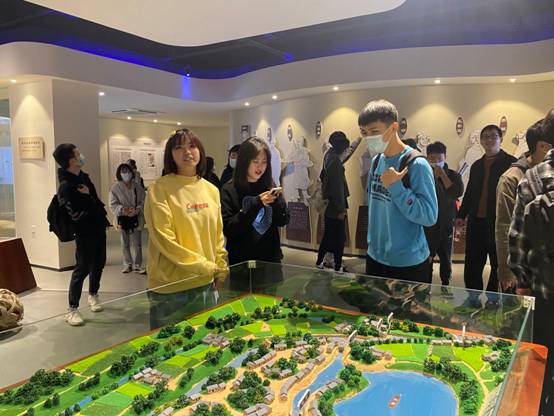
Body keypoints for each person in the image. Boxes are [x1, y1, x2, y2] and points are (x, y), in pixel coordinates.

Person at [144, 129, 228, 328]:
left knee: (204, 341)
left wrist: (220, 266)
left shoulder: (211, 190)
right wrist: (204, 265)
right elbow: (164, 239)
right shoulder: (158, 189)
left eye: (192, 146)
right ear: (170, 154)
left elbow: (217, 234)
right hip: (170, 286)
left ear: (200, 151)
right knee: (167, 344)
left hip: (204, 282)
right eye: (179, 147)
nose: (187, 152)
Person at [359, 100, 438, 283]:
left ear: (394, 127)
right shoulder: (376, 161)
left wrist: (397, 187)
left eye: (374, 131)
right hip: (375, 257)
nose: (369, 138)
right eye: (364, 133)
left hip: (407, 263)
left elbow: (429, 216)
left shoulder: (417, 164)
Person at [509, 110, 554, 416]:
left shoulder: (533, 177)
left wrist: (522, 282)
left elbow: (517, 238)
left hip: (544, 291)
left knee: (541, 363)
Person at [456, 125, 516, 307]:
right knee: (473, 262)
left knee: (498, 263)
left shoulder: (511, 163)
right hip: (476, 222)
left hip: (499, 223)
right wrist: (461, 215)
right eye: (485, 137)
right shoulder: (476, 165)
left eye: (493, 136)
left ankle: (493, 300)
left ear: (501, 139)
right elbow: (469, 192)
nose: (489, 140)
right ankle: (472, 298)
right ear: (481, 140)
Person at [220, 137, 289, 290]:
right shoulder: (229, 189)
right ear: (244, 161)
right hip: (243, 264)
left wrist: (278, 203)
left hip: (270, 261)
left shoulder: (269, 185)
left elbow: (283, 221)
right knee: (244, 303)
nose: (260, 167)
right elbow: (230, 229)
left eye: (264, 162)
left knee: (271, 303)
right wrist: (256, 203)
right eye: (255, 161)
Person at [53, 144, 110, 326]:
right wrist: (89, 201)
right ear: (71, 160)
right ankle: (72, 309)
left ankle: (93, 295)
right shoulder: (65, 186)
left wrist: (89, 198)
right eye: (78, 154)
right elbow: (75, 215)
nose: (81, 156)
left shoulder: (84, 178)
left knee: (99, 263)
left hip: (98, 227)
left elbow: (97, 202)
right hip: (84, 233)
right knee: (82, 268)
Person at [495, 120, 547, 292]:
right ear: (542, 146)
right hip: (523, 269)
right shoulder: (512, 178)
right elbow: (504, 226)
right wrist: (506, 271)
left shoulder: (547, 174)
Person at [425, 142, 464, 285]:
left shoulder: (454, 175)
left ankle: (445, 283)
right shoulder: (424, 174)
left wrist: (442, 175)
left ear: (445, 157)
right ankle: (426, 285)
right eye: (432, 158)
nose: (436, 162)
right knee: (427, 256)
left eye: (439, 158)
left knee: (446, 256)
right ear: (427, 158)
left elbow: (456, 192)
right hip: (428, 224)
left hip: (446, 222)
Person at [316, 131, 351, 272]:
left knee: (329, 236)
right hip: (335, 207)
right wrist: (341, 209)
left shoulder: (329, 156)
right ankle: (337, 266)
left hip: (330, 204)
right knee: (338, 238)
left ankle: (320, 262)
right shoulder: (335, 161)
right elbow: (338, 188)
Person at [109, 163, 147, 274]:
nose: (126, 174)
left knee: (137, 244)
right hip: (122, 218)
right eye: (123, 171)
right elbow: (112, 204)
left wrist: (137, 210)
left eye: (127, 171)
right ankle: (127, 264)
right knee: (124, 243)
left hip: (136, 217)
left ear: (131, 172)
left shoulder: (138, 187)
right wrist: (122, 210)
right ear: (119, 174)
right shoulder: (115, 188)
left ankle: (137, 265)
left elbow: (144, 201)